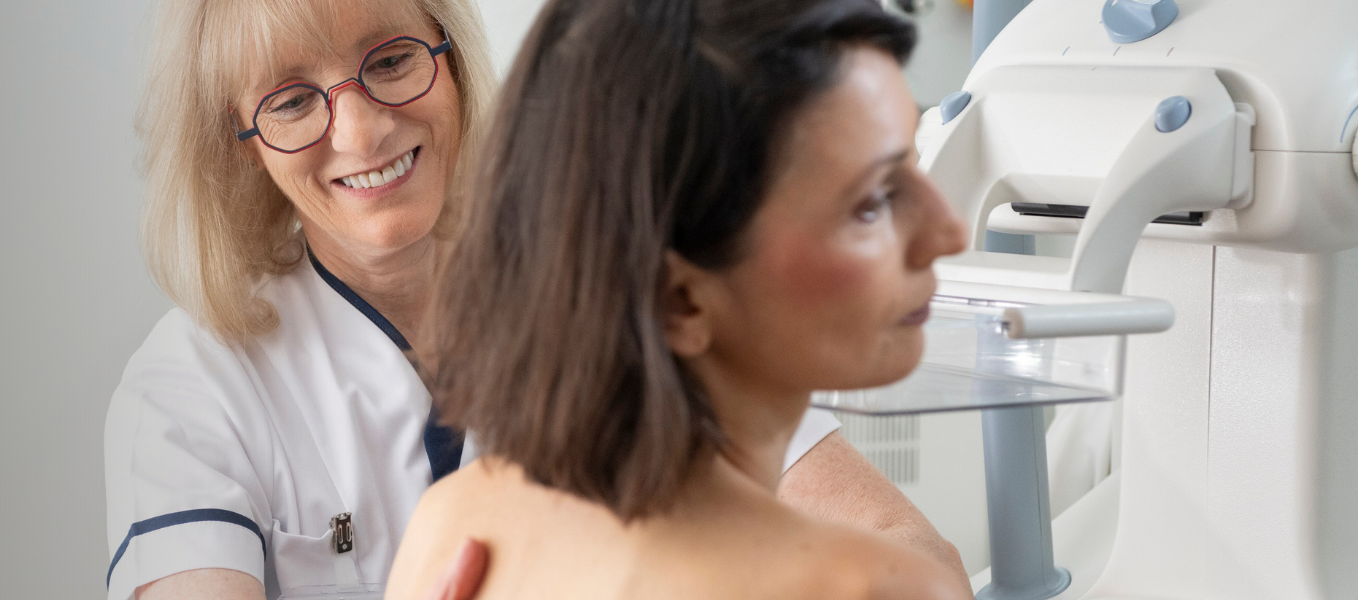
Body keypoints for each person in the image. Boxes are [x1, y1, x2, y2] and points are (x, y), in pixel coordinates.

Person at [104, 0, 965, 598]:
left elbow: (899, 545)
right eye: (292, 101)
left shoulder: (598, 282)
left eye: (394, 59)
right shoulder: (193, 387)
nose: (360, 130)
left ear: (452, 62)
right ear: (245, 144)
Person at [382, 0, 973, 597]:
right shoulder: (867, 587)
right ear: (681, 300)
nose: (949, 232)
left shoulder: (450, 527)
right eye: (871, 203)